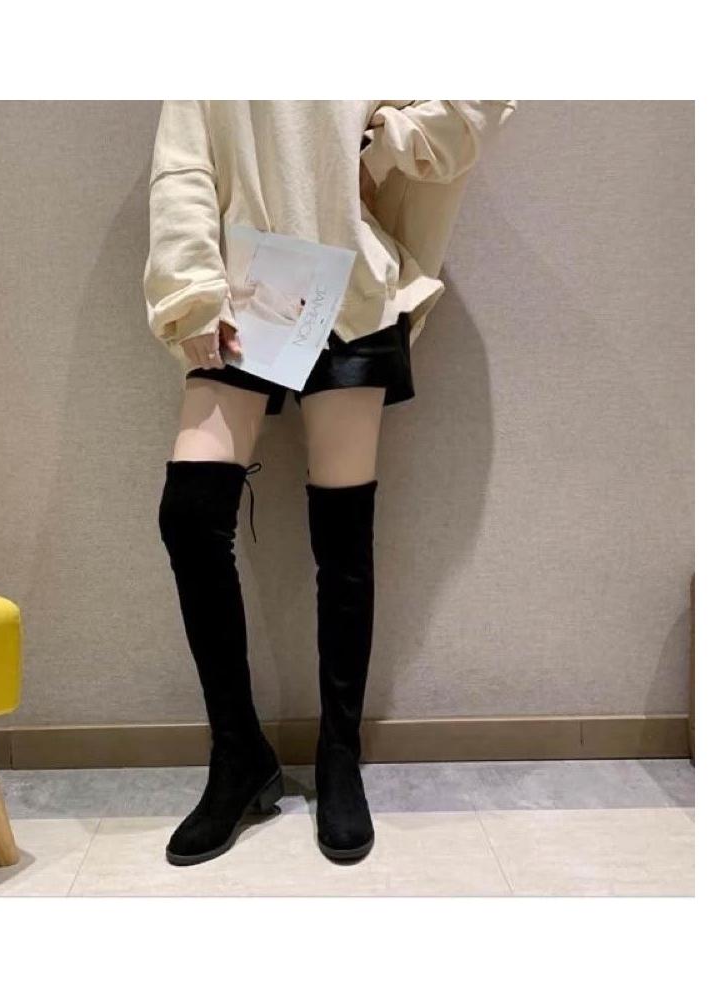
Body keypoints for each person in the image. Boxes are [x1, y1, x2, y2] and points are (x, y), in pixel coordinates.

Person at [143, 100, 515, 866]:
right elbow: (183, 165)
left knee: (342, 539)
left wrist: (385, 148)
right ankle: (238, 754)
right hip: (243, 294)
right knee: (189, 515)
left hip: (350, 290)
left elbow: (477, 99)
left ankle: (339, 756)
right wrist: (192, 291)